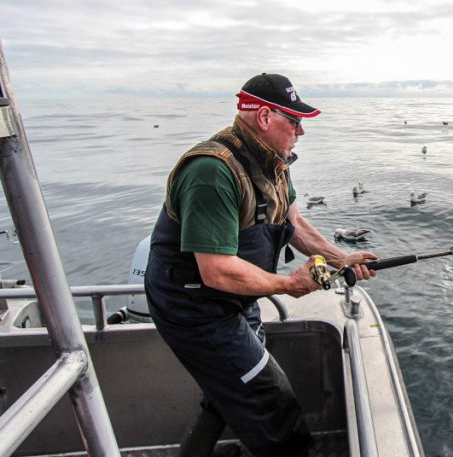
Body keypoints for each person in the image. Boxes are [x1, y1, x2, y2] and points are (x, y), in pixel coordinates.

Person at [144, 73, 377, 457]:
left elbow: (295, 223)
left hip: (235, 297)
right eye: (294, 121)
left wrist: (341, 257)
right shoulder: (211, 172)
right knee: (272, 404)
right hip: (194, 308)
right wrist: (288, 285)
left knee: (230, 390)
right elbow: (216, 270)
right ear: (265, 118)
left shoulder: (274, 163)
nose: (301, 132)